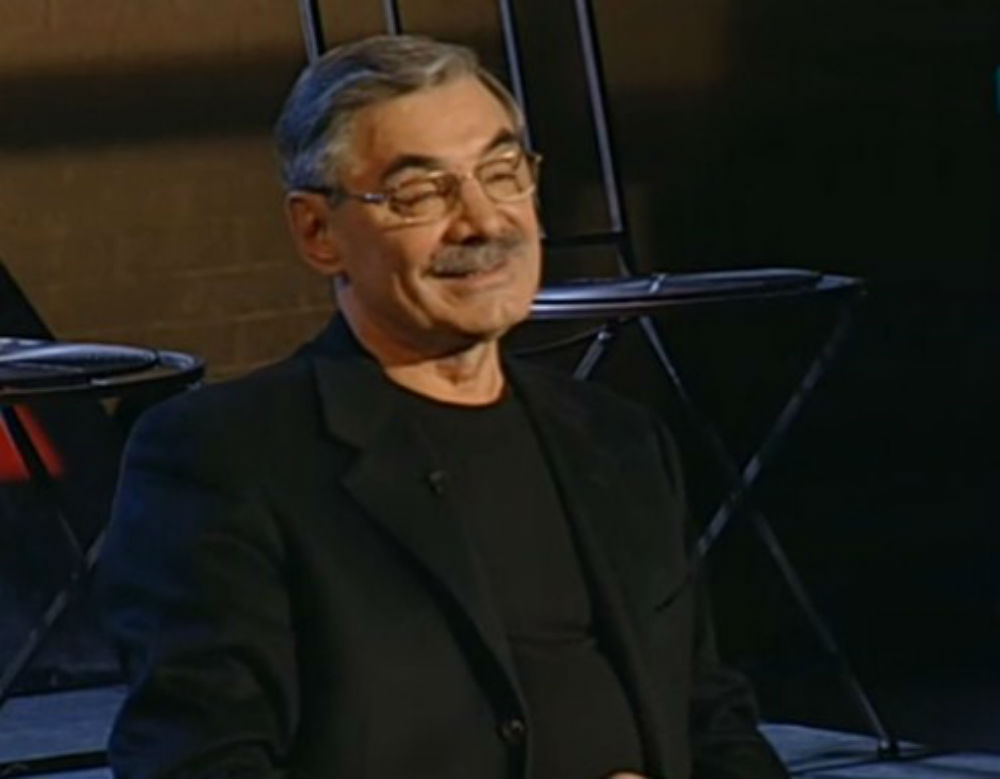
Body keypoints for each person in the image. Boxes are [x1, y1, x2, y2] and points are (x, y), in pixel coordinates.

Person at [98, 34, 787, 779]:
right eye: (421, 194)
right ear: (318, 232)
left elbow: (712, 721)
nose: (485, 222)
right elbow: (200, 764)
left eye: (502, 174)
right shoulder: (227, 456)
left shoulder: (618, 440)